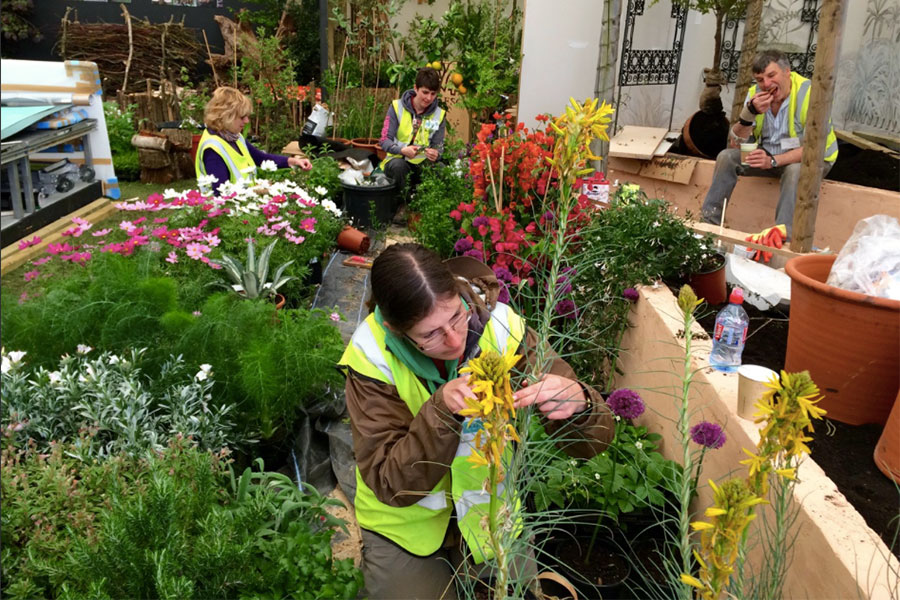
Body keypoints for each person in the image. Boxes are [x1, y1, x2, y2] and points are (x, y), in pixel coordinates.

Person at [337, 243, 613, 599]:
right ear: (396, 329)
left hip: (490, 511)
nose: (455, 340)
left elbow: (592, 442)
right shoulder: (371, 357)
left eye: (456, 316)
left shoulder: (502, 328)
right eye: (430, 334)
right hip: (406, 526)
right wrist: (441, 411)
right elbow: (391, 482)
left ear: (458, 291)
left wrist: (581, 405)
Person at [700, 49, 838, 238]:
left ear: (787, 72)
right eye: (760, 79)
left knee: (794, 171)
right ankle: (708, 226)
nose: (766, 84)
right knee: (726, 157)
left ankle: (783, 236)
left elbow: (814, 149)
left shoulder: (811, 94)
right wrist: (749, 114)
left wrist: (773, 161)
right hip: (768, 156)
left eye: (771, 76)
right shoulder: (755, 94)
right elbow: (736, 143)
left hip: (811, 159)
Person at [194, 86, 312, 194]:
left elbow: (260, 158)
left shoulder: (234, 137)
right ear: (225, 116)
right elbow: (221, 193)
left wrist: (293, 161)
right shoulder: (213, 149)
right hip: (227, 209)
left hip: (244, 205)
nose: (246, 121)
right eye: (242, 117)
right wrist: (258, 191)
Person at [379, 68, 447, 199]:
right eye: (425, 92)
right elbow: (384, 140)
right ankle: (403, 203)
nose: (429, 98)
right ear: (416, 88)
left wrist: (436, 154)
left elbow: (438, 147)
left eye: (433, 94)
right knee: (399, 166)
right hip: (397, 159)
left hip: (421, 162)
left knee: (440, 169)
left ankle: (427, 204)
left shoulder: (439, 114)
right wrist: (402, 150)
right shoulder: (396, 107)